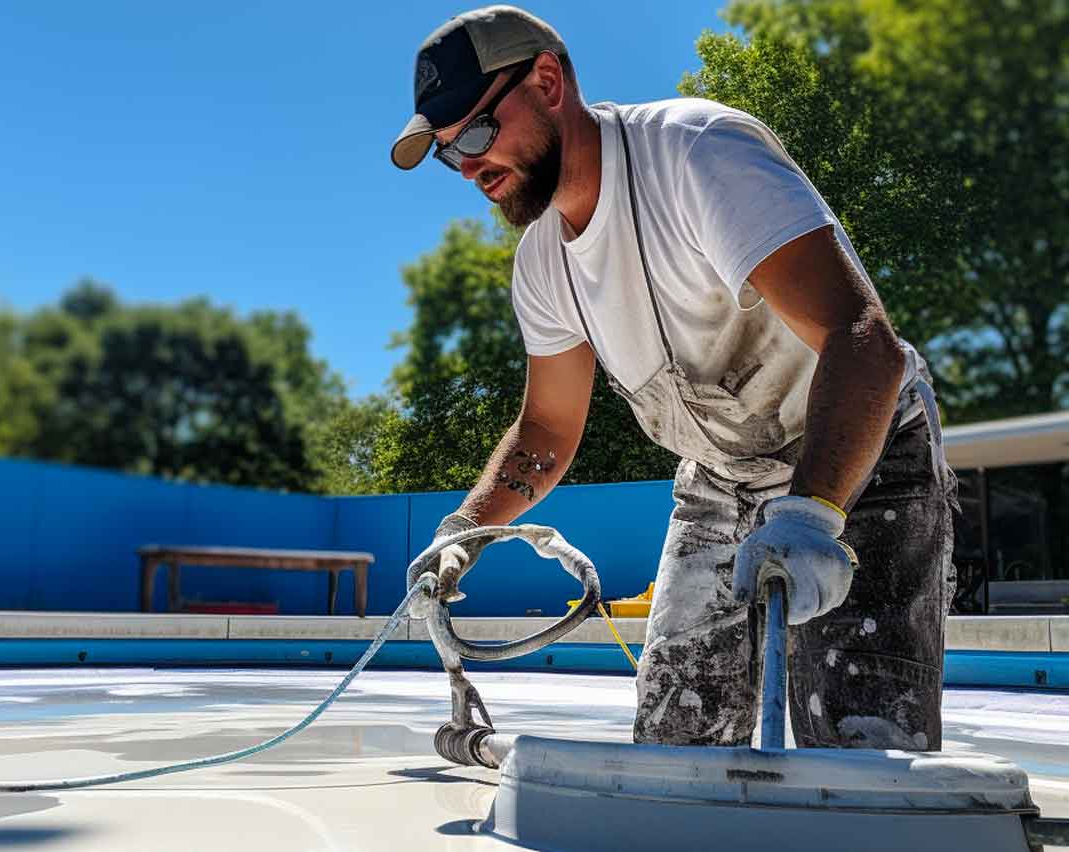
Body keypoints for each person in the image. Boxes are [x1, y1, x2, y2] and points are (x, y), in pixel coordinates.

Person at [392, 5, 958, 750]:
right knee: (674, 749)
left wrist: (813, 512)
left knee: (860, 759)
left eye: (475, 133)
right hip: (721, 477)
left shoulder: (696, 154)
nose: (466, 166)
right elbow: (547, 430)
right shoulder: (542, 264)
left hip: (863, 452)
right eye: (445, 151)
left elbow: (863, 343)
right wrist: (464, 532)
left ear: (548, 81)